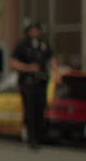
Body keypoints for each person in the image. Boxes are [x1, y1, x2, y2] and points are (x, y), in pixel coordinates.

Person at [9, 21, 59, 150]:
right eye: (33, 30)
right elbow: (13, 63)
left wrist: (57, 73)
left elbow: (52, 59)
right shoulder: (22, 45)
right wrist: (28, 68)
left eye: (37, 30)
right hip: (27, 83)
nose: (35, 32)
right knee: (29, 111)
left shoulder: (44, 44)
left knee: (40, 111)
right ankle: (31, 139)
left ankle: (38, 137)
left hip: (41, 82)